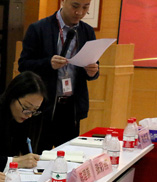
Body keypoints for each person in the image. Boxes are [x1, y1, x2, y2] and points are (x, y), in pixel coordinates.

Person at [18, 0, 99, 150]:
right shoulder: (39, 28)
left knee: (68, 156)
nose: (80, 12)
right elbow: (23, 65)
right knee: (40, 156)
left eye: (85, 7)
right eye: (75, 6)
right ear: (63, 1)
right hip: (43, 107)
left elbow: (93, 69)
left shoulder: (87, 31)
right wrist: (48, 64)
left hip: (71, 108)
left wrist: (92, 72)